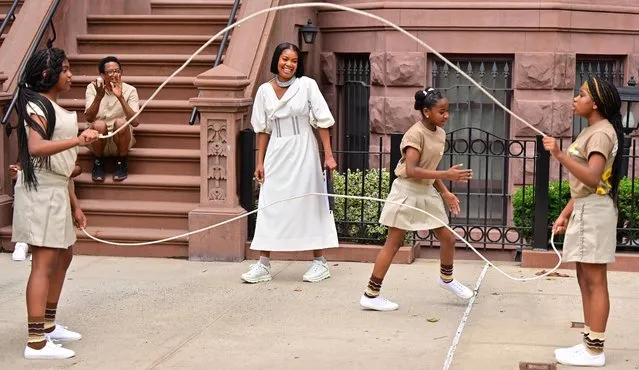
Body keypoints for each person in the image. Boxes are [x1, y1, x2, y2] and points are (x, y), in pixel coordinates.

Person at [13, 47, 99, 359]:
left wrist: (75, 203)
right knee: (44, 263)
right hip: (41, 193)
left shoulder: (53, 106)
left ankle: (48, 325)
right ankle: (35, 342)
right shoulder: (36, 105)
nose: (70, 75)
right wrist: (78, 140)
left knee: (64, 257)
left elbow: (63, 162)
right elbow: (35, 148)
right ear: (48, 75)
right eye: (65, 69)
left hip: (58, 188)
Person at [359, 88, 475, 312]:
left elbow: (429, 168)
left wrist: (445, 192)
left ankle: (446, 279)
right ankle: (371, 294)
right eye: (441, 111)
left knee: (448, 239)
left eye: (447, 111)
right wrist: (446, 176)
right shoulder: (415, 134)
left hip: (426, 191)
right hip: (407, 191)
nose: (446, 115)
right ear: (426, 111)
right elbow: (411, 169)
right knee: (393, 244)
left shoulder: (440, 134)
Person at [241, 42, 338, 284]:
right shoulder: (264, 90)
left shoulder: (307, 86)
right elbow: (262, 129)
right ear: (277, 60)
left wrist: (328, 155)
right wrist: (259, 162)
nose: (289, 64)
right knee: (270, 203)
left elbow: (322, 121)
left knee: (310, 201)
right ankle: (263, 263)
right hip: (277, 149)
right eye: (285, 59)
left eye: (294, 61)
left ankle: (319, 262)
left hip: (303, 147)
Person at [543, 76, 623, 367]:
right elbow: (588, 185)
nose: (575, 99)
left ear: (596, 103)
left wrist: (560, 154)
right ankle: (590, 341)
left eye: (581, 95)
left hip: (595, 213)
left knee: (595, 281)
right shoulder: (594, 130)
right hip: (586, 209)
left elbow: (591, 176)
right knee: (584, 278)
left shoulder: (601, 134)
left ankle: (595, 350)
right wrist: (565, 214)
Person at [8, 162, 81, 262]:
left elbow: (77, 168)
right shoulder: (31, 149)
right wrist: (17, 170)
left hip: (56, 185)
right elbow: (21, 162)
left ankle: (41, 245)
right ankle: (23, 241)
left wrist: (66, 170)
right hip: (33, 184)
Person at [84, 56, 140, 182]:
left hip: (121, 138)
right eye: (110, 72)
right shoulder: (92, 88)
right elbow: (89, 118)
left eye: (117, 71)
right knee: (98, 124)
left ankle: (122, 162)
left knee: (120, 122)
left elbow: (135, 122)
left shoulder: (130, 90)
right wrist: (98, 97)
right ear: (102, 75)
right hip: (98, 139)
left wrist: (120, 97)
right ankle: (98, 162)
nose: (114, 74)